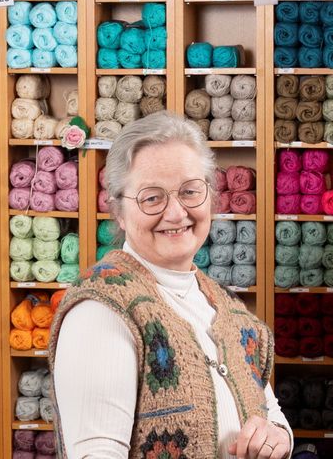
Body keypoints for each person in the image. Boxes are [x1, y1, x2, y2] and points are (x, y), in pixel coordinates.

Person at [49, 112, 292, 458]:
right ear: (118, 211)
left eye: (190, 191)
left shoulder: (224, 307)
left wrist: (278, 437)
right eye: (152, 197)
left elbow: (271, 412)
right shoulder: (102, 311)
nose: (176, 213)